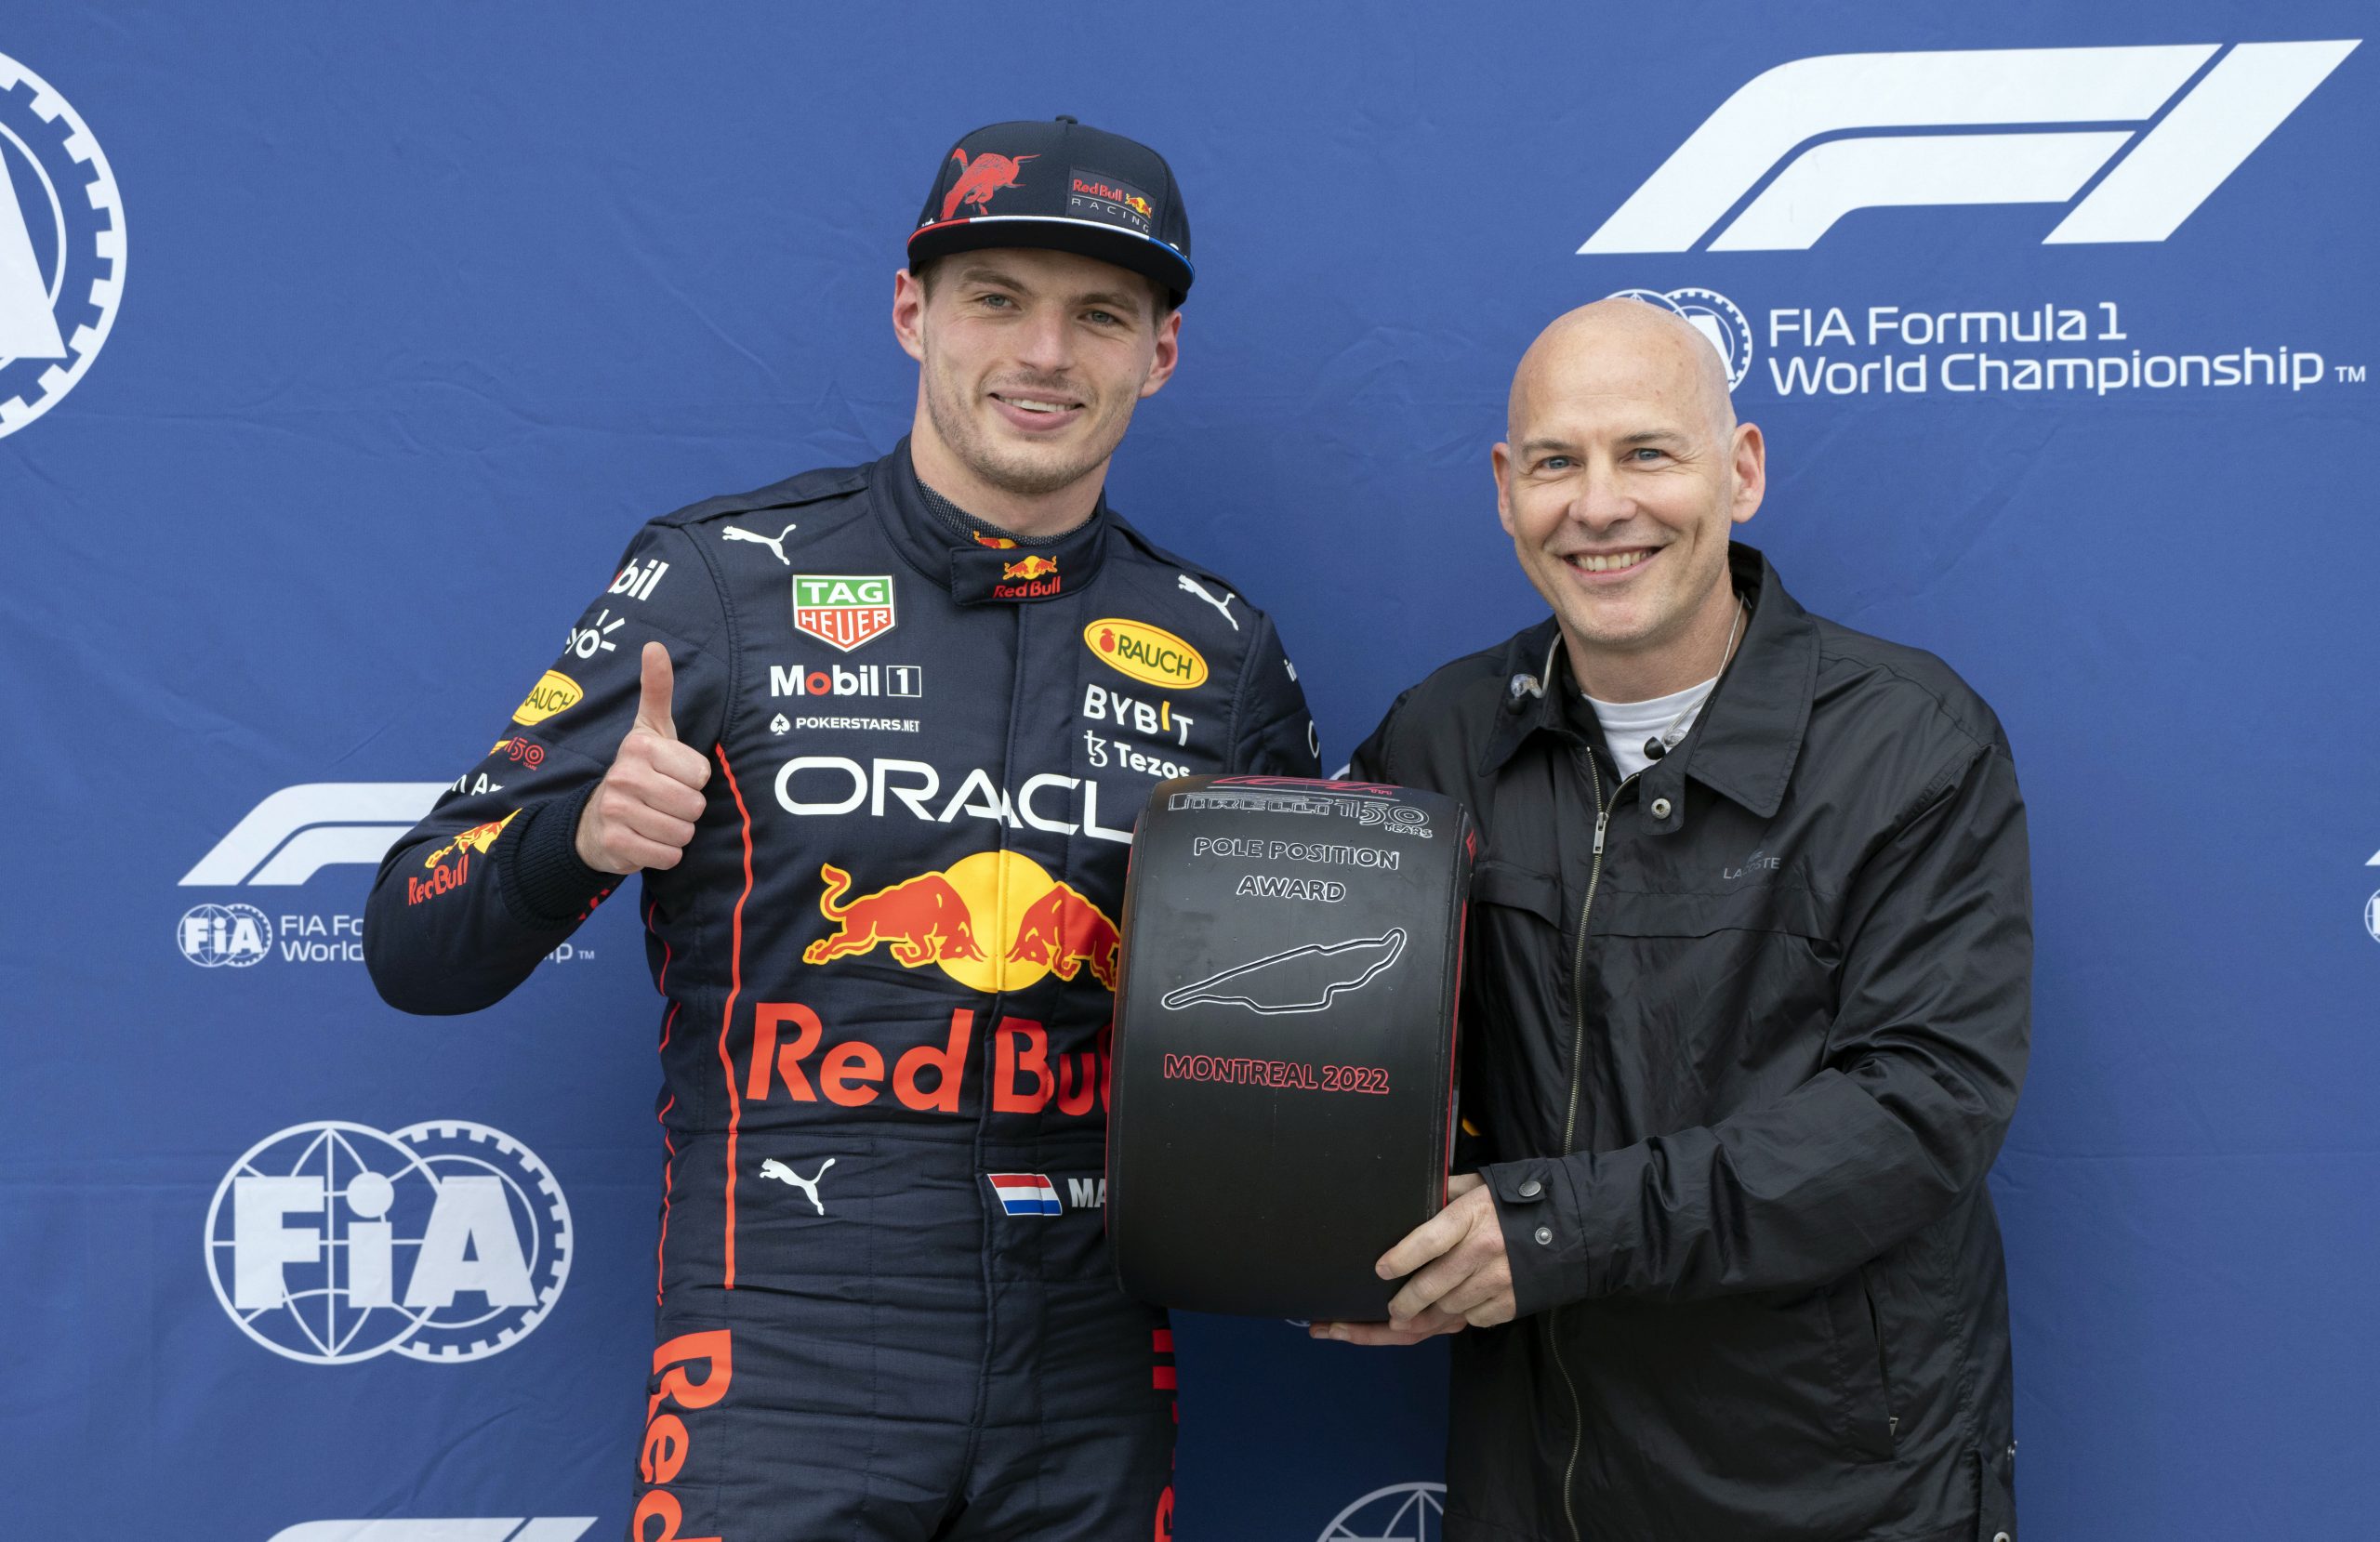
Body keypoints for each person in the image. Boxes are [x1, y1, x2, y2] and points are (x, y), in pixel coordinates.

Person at [364, 116, 1319, 1542]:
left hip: (1095, 1371)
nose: (1045, 355)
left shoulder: (1222, 650)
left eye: (1099, 317)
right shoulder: (721, 582)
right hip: (784, 1360)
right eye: (997, 300)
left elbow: (1299, 1044)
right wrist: (582, 842)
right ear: (911, 313)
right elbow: (411, 936)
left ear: (1157, 355)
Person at [1325, 297, 2030, 1542]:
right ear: (1505, 489)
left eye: (1648, 452)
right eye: (1557, 462)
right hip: (1538, 1483)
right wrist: (1322, 1229)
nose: (1600, 505)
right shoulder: (1442, 739)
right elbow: (1348, 1041)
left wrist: (1551, 1232)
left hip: (1844, 1491)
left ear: (1741, 469)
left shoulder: (1908, 741)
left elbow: (1921, 1111)